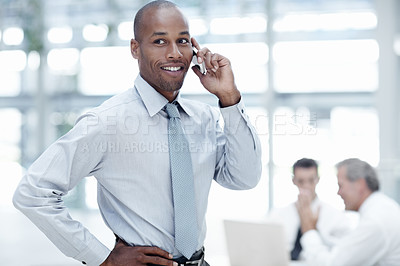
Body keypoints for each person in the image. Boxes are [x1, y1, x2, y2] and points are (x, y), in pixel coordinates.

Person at [12, 1, 262, 266]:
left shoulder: (204, 117)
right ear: (135, 48)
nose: (175, 53)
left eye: (183, 41)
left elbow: (244, 178)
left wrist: (230, 98)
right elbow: (33, 193)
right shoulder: (107, 122)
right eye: (160, 42)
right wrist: (101, 258)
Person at [300, 158, 400, 266]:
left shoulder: (375, 220)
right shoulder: (382, 208)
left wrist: (309, 230)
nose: (338, 193)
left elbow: (333, 264)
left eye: (341, 185)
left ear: (360, 184)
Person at [268, 158, 351, 261]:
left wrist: (313, 229)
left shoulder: (336, 216)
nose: (306, 186)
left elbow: (342, 252)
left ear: (318, 179)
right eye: (301, 181)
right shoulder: (278, 215)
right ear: (294, 181)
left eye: (311, 180)